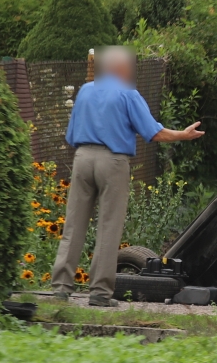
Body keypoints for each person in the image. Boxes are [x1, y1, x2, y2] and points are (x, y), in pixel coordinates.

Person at [51, 47, 204, 306]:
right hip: (112, 161)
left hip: (83, 157)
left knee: (74, 225)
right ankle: (99, 293)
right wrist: (183, 134)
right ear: (121, 68)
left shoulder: (85, 91)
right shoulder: (128, 94)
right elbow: (153, 132)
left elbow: (70, 134)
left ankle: (60, 288)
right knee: (109, 227)